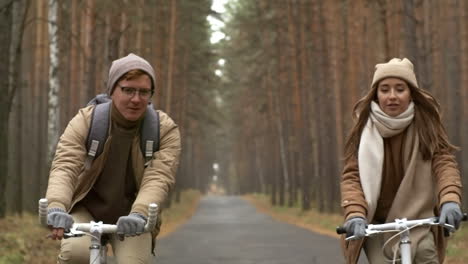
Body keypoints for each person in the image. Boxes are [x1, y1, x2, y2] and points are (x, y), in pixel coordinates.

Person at [45, 53, 181, 263]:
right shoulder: (86, 121)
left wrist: (140, 213)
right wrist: (56, 206)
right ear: (112, 91)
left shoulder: (164, 130)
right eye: (127, 90)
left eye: (144, 92)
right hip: (85, 209)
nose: (136, 99)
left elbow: (159, 177)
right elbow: (65, 166)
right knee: (76, 254)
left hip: (132, 215)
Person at [339, 58, 463, 264]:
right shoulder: (363, 131)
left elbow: (444, 164)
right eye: (385, 89)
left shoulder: (426, 126)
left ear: (411, 93)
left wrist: (450, 199)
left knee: (426, 255)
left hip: (417, 219)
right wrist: (355, 214)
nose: (392, 96)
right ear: (376, 95)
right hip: (376, 223)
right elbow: (352, 177)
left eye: (400, 89)